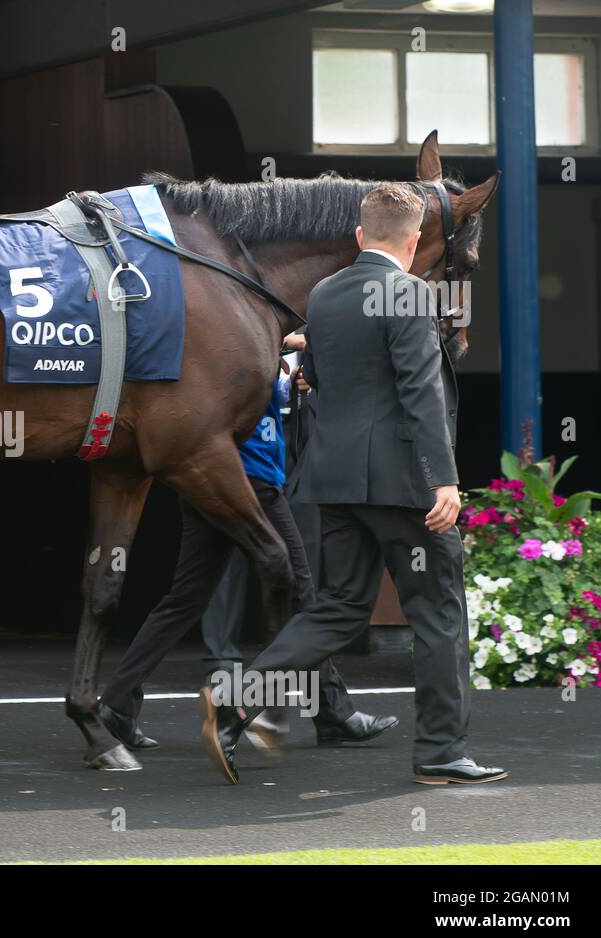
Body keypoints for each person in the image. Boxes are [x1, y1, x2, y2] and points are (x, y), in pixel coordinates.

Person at [199, 183, 506, 786]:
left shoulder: (326, 294)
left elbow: (311, 376)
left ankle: (238, 703)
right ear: (416, 241)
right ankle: (442, 752)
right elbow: (420, 393)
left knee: (338, 609)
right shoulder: (412, 294)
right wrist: (443, 481)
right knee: (440, 615)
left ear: (360, 236)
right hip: (402, 486)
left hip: (333, 480)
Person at [99, 343, 396, 753]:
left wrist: (298, 377)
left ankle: (116, 702)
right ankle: (328, 712)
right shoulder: (247, 336)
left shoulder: (242, 338)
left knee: (185, 598)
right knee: (303, 596)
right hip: (249, 481)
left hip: (210, 479)